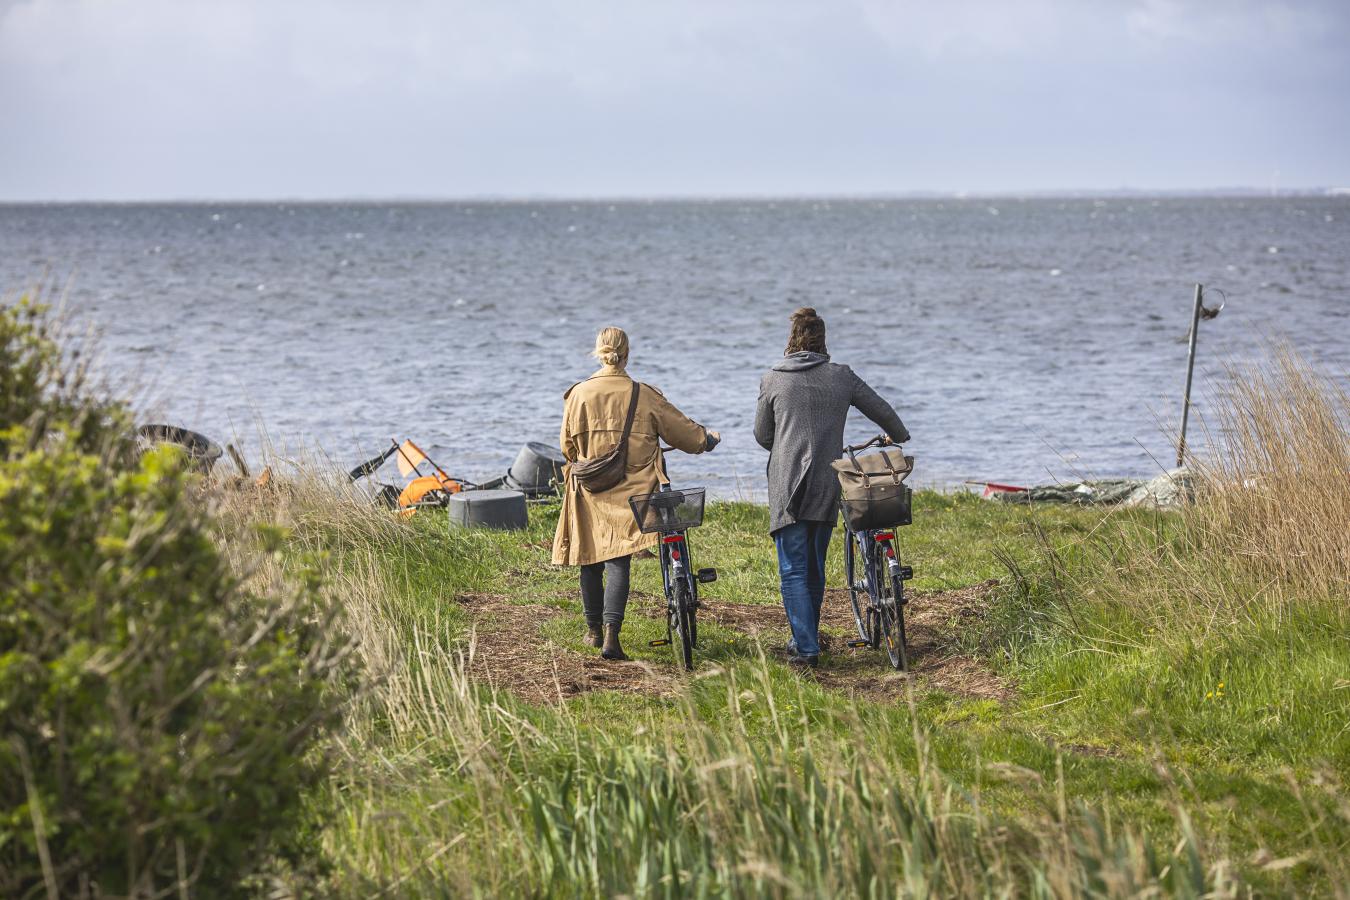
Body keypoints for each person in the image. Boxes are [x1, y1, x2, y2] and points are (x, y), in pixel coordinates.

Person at [754, 307, 910, 669]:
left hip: (786, 484)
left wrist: (786, 444)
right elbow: (880, 407)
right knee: (814, 565)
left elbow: (763, 435)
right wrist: (899, 435)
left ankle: (805, 646)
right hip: (827, 481)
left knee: (793, 567)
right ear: (823, 341)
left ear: (791, 341)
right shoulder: (841, 377)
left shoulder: (773, 379)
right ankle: (805, 638)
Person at [553, 326, 720, 660]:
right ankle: (612, 636)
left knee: (590, 559)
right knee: (619, 561)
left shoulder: (578, 395)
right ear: (626, 355)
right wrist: (707, 439)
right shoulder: (644, 395)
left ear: (598, 352)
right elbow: (684, 433)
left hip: (590, 490)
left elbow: (567, 447)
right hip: (633, 492)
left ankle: (593, 631)